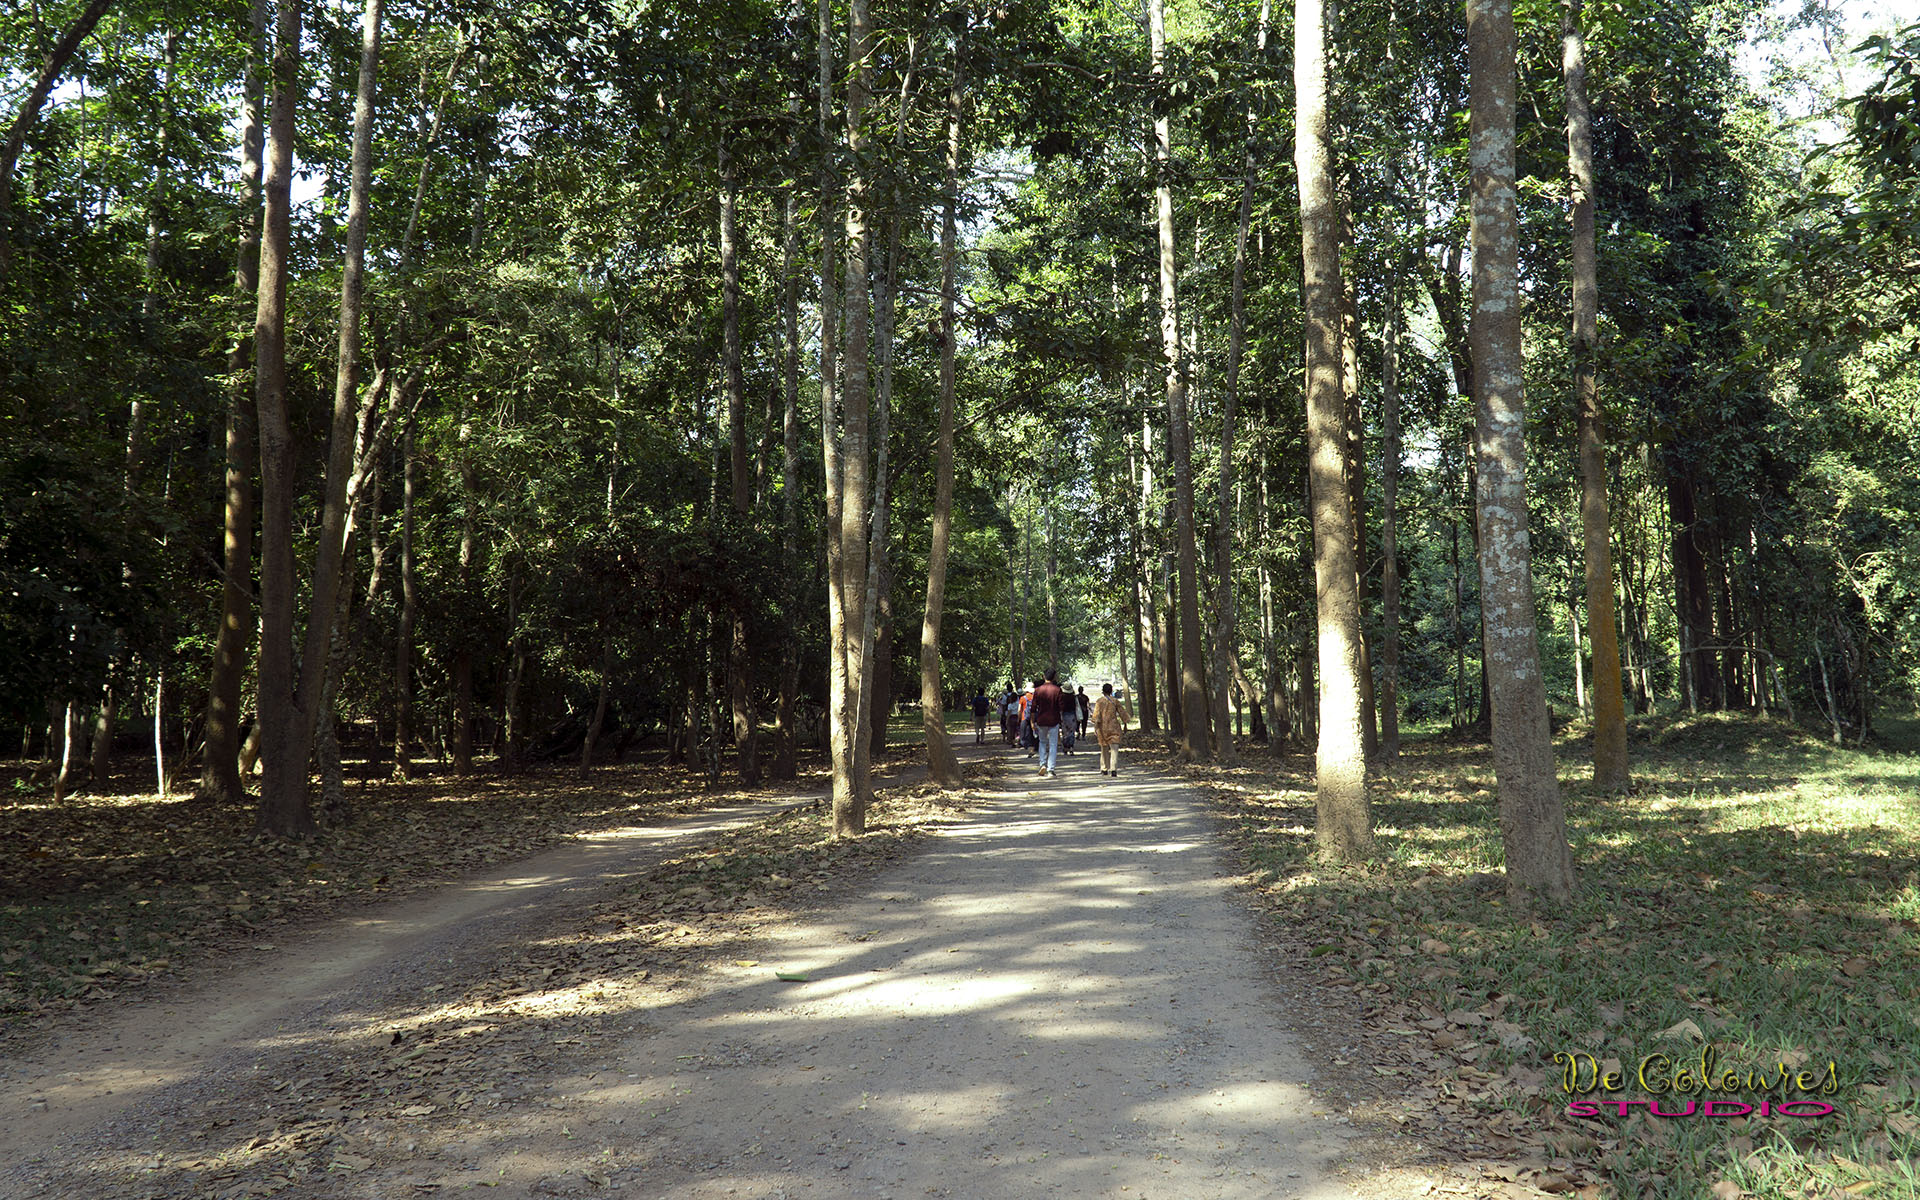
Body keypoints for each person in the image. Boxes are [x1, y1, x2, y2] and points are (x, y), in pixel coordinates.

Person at [1030, 669, 1067, 777]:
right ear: (1054, 677)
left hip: (1041, 720)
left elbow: (1033, 708)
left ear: (1043, 676)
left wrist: (1032, 721)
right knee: (1053, 744)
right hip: (1054, 720)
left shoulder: (1038, 690)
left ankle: (1042, 764)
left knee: (1042, 742)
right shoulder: (1057, 690)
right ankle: (1051, 769)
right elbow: (1062, 707)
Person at [1091, 682, 1133, 777]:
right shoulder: (1115, 701)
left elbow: (1096, 717)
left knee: (1104, 748)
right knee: (1114, 749)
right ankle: (1113, 769)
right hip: (1114, 727)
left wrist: (1096, 727)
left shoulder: (1099, 701)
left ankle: (1104, 768)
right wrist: (1125, 723)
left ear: (1103, 691)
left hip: (1102, 728)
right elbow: (1123, 713)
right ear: (1111, 691)